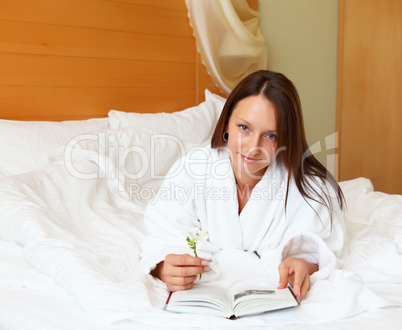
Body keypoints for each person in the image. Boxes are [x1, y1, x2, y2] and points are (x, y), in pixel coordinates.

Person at [140, 70, 345, 302]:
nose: (253, 147)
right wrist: (163, 269)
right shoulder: (192, 168)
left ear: (286, 138)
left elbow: (321, 247)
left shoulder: (309, 189)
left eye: (270, 136)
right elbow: (162, 235)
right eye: (244, 128)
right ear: (227, 123)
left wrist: (304, 264)